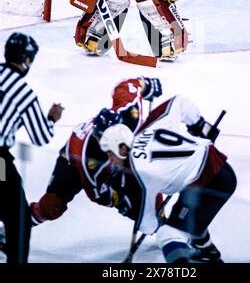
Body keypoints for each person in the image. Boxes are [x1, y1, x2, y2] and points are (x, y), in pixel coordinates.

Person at [101, 94, 237, 263]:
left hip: (212, 181)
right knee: (183, 218)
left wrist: (129, 207)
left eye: (110, 154)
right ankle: (207, 252)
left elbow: (148, 224)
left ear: (122, 149)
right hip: (215, 171)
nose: (110, 160)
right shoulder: (147, 129)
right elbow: (179, 102)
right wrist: (199, 125)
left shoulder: (136, 173)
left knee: (168, 234)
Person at [30, 77, 162, 228]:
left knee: (146, 174)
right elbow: (99, 194)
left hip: (115, 157)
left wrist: (146, 84)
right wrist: (122, 203)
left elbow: (129, 85)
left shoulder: (130, 115)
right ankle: (19, 225)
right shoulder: (89, 161)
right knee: (51, 205)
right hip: (73, 161)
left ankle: (161, 215)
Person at [0, 32, 64, 263]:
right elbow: (41, 136)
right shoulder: (23, 92)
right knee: (18, 218)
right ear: (27, 60)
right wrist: (52, 118)